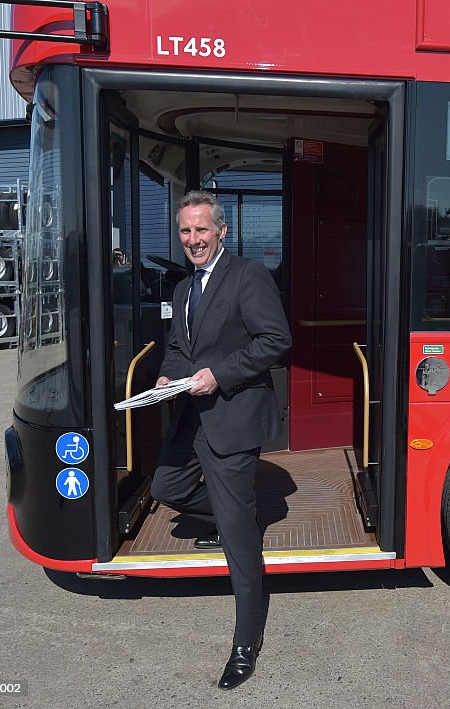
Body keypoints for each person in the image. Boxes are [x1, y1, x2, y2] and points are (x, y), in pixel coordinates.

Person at [151, 190, 291, 690]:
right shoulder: (185, 288)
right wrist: (170, 378)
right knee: (166, 487)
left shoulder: (248, 275)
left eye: (202, 230)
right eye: (186, 232)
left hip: (231, 416)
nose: (193, 240)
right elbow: (177, 348)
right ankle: (239, 517)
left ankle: (245, 641)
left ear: (221, 231)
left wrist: (219, 374)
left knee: (236, 539)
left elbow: (276, 340)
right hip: (193, 413)